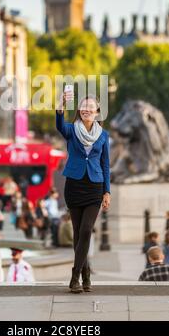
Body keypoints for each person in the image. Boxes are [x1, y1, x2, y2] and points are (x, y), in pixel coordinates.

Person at [56, 91, 111, 293]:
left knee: (87, 230)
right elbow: (59, 126)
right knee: (78, 233)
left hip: (95, 187)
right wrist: (60, 106)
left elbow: (106, 165)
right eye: (84, 106)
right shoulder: (71, 130)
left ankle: (74, 276)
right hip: (74, 185)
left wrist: (107, 192)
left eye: (91, 107)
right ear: (79, 111)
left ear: (97, 112)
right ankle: (86, 275)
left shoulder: (104, 136)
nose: (87, 109)